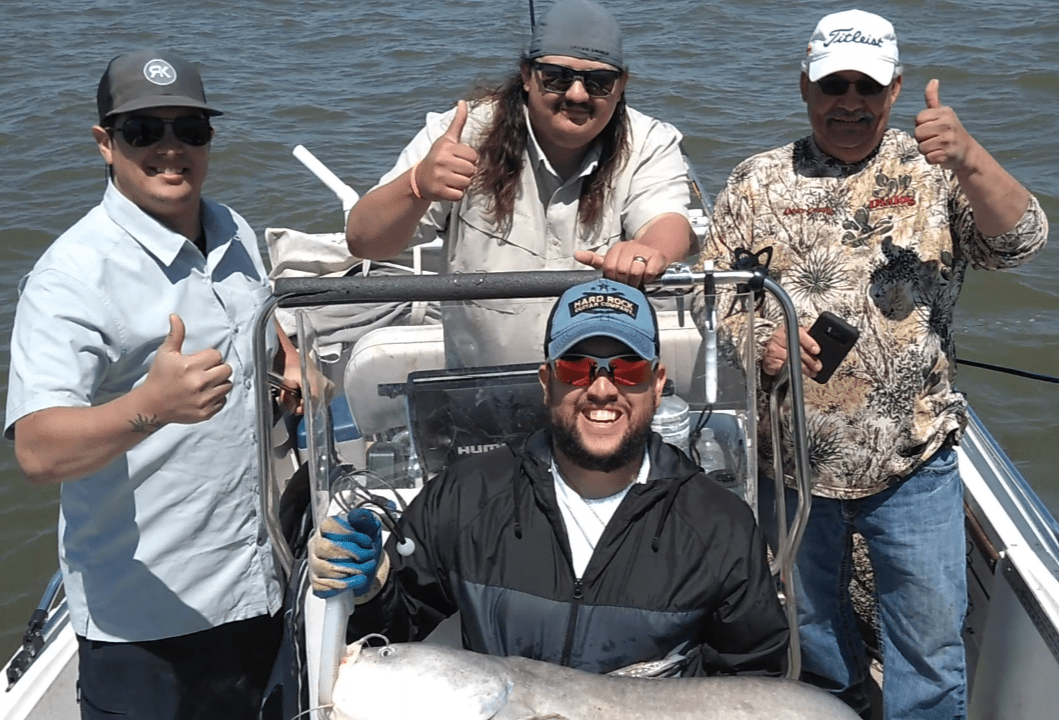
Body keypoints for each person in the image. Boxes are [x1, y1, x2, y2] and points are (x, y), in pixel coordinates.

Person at [694, 9, 1048, 720]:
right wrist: (756, 342)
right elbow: (715, 301)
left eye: (865, 85)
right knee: (816, 643)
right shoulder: (757, 180)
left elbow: (1021, 244)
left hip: (913, 462)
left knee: (929, 653)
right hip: (790, 466)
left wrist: (972, 156)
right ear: (804, 88)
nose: (847, 102)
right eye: (832, 86)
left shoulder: (935, 172)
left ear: (893, 90)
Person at [4, 50, 303, 719]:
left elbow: (257, 317)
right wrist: (147, 407)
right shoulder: (72, 278)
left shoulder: (233, 230)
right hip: (146, 629)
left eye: (189, 129)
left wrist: (288, 357)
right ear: (106, 144)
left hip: (257, 587)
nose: (170, 148)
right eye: (143, 131)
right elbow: (38, 450)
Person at [309, 278, 789, 677]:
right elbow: (392, 631)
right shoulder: (466, 494)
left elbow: (753, 676)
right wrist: (369, 586)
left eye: (627, 368)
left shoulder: (720, 524)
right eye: (577, 367)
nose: (602, 389)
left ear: (657, 383)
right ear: (546, 381)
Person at [345, 0, 697, 366]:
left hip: (594, 387)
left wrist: (647, 252)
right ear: (527, 76)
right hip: (481, 388)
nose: (577, 94)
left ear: (621, 85)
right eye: (557, 76)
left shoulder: (648, 140)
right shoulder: (461, 135)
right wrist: (416, 185)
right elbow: (364, 241)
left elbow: (669, 225)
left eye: (598, 81)